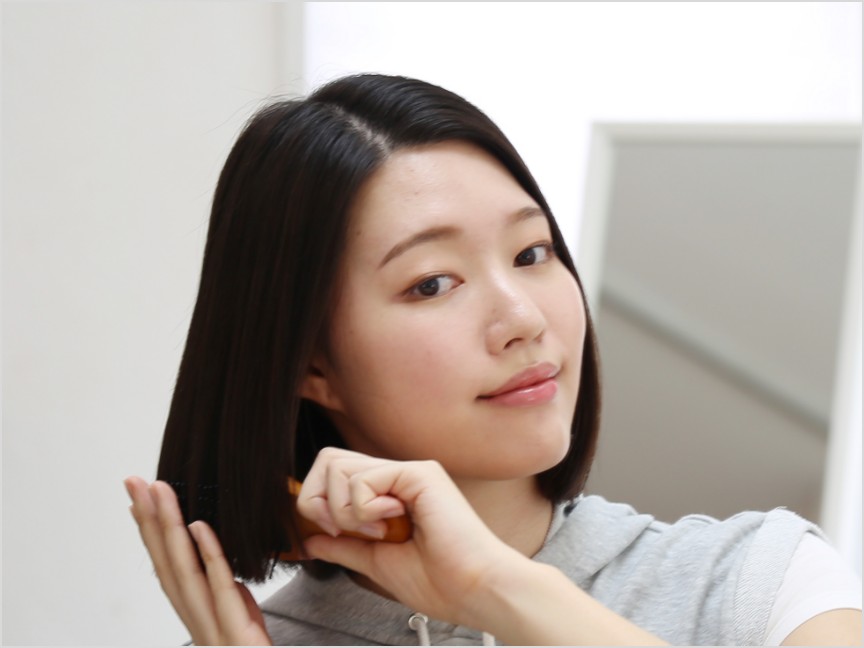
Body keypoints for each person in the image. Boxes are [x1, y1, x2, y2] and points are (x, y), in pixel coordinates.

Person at [124, 73, 862, 646]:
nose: (523, 319)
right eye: (432, 283)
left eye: (531, 253)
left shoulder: (760, 582)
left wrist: (497, 589)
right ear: (310, 367)